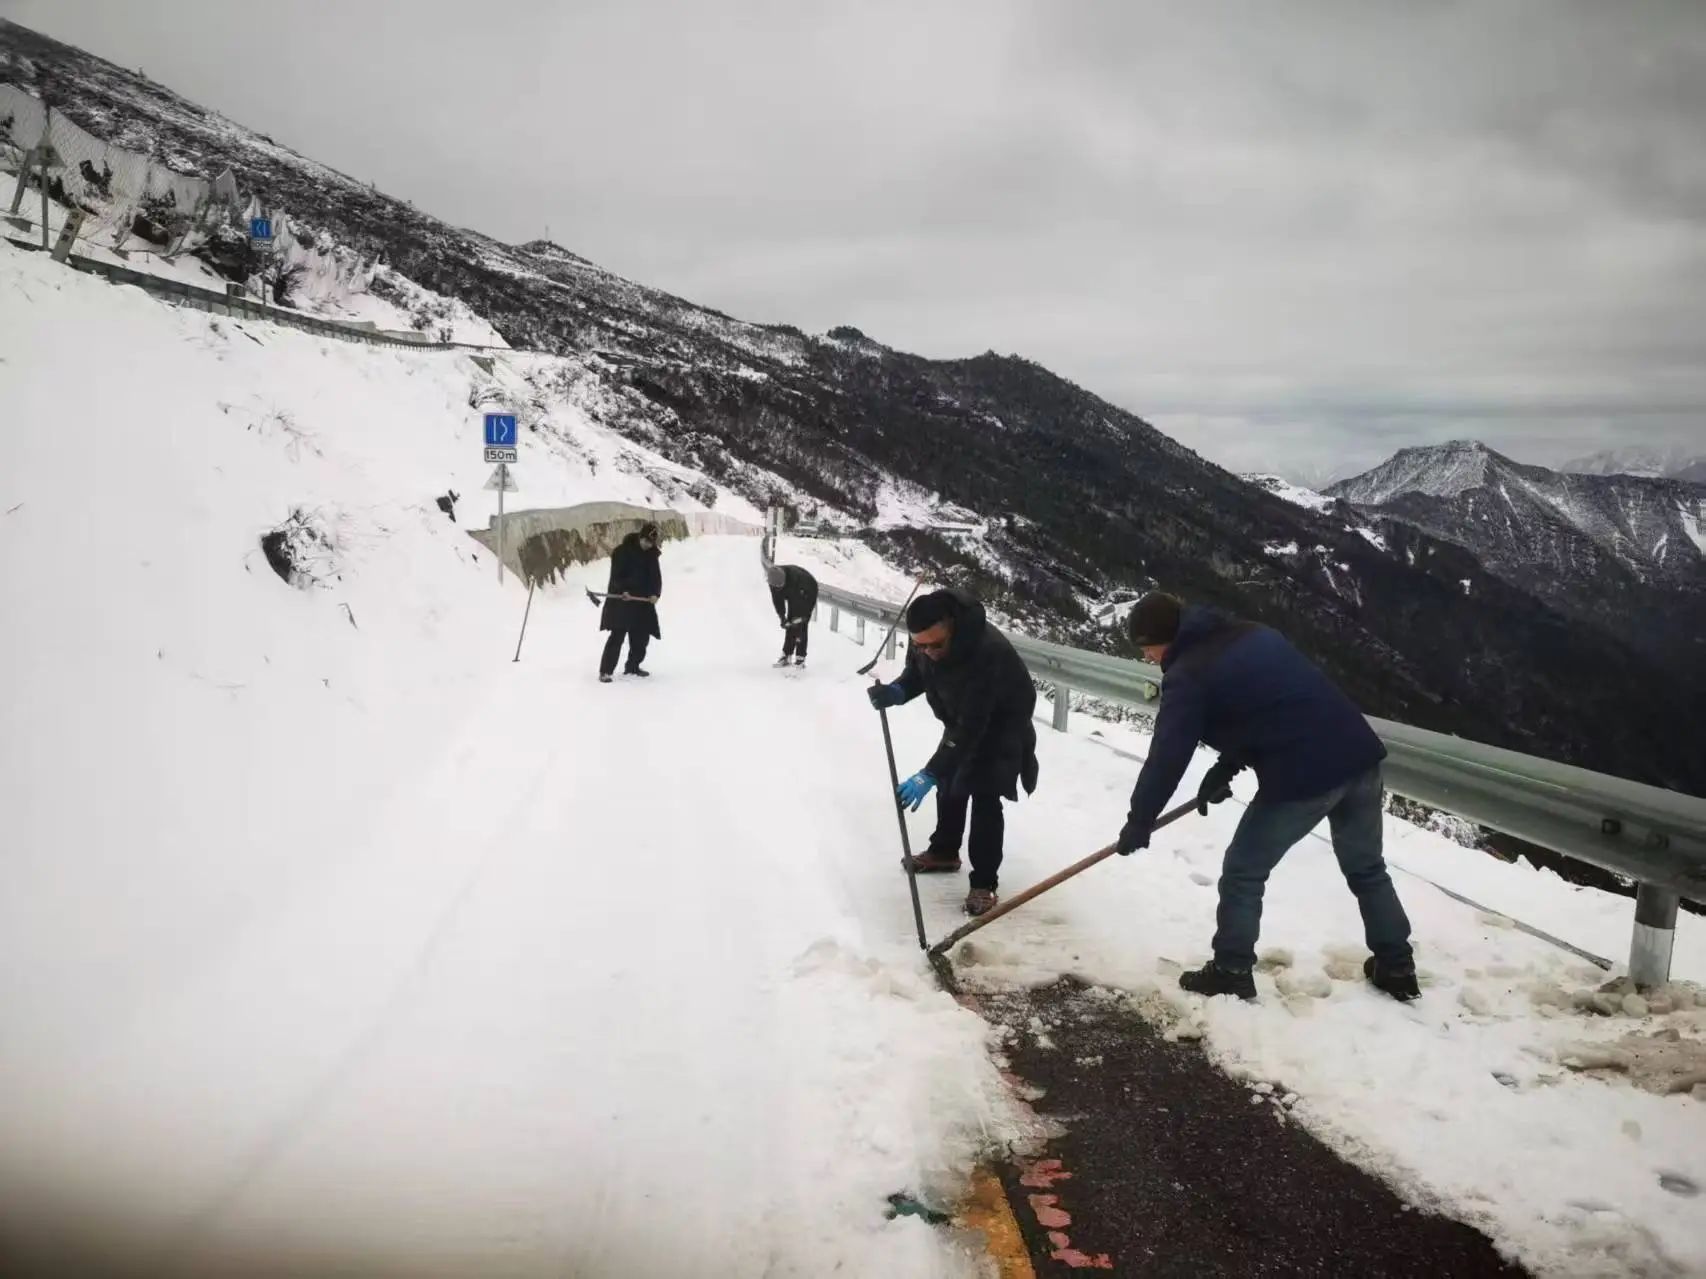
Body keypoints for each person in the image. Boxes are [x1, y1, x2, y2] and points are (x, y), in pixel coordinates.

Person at [1116, 591, 1418, 1002]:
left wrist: (1140, 820)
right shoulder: (1250, 634)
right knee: (1366, 867)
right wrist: (1228, 765)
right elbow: (1272, 703)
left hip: (1305, 775)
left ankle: (1231, 969)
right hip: (1359, 756)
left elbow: (1167, 757)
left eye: (1146, 648)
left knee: (1243, 870)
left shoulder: (1187, 675)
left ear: (1162, 639)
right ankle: (1397, 966)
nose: (1148, 658)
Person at [866, 589, 1039, 917]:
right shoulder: (925, 641)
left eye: (936, 645)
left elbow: (972, 728)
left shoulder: (987, 653)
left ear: (952, 627)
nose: (928, 651)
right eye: (921, 645)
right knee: (951, 781)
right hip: (961, 716)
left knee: (984, 793)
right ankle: (945, 851)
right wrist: (899, 691)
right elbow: (918, 673)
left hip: (1003, 723)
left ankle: (984, 883)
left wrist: (929, 772)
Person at [598, 522, 663, 682]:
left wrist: (655, 593)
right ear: (640, 537)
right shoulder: (622, 552)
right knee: (617, 636)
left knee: (641, 637)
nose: (648, 545)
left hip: (642, 602)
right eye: (646, 541)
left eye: (651, 543)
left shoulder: (652, 555)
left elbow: (656, 577)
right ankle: (605, 671)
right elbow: (616, 577)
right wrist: (622, 591)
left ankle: (633, 666)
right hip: (623, 601)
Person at [768, 563, 818, 667]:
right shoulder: (773, 581)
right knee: (790, 624)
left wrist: (797, 619)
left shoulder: (794, 579)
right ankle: (786, 655)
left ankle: (800, 657)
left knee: (800, 624)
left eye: (780, 587)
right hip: (793, 594)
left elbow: (798, 611)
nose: (778, 590)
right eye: (776, 588)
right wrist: (782, 618)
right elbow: (777, 601)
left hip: (807, 591)